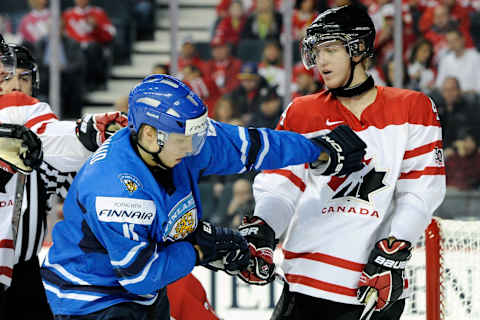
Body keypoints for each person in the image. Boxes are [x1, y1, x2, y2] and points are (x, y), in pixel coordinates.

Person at [40, 73, 367, 319]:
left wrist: (318, 151)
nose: (198, 147)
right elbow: (141, 276)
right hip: (88, 300)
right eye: (189, 139)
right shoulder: (115, 190)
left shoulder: (181, 140)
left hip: (143, 295)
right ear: (150, 135)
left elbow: (254, 146)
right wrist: (199, 251)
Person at [236, 6, 446, 320]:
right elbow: (280, 186)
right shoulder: (301, 111)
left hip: (372, 285)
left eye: (330, 50)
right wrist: (265, 229)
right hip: (304, 281)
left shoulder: (413, 108)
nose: (320, 61)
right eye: (317, 52)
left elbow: (421, 191)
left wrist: (394, 248)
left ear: (359, 48)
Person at [0, 36, 127, 319]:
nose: (16, 85)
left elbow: (80, 189)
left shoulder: (39, 133)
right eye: (6, 77)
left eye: (23, 78)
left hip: (23, 268)